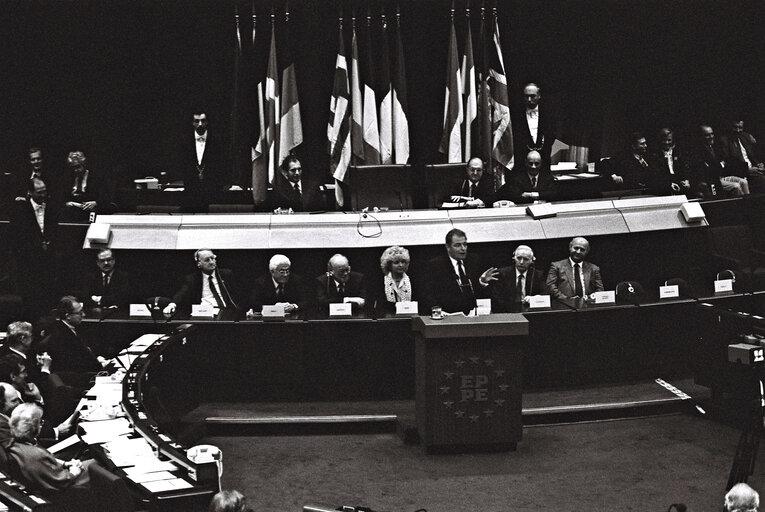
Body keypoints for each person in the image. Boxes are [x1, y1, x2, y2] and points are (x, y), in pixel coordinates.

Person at [7, 403, 93, 497]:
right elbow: (62, 481)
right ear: (34, 428)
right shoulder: (36, 455)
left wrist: (65, 463)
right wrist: (74, 471)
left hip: (56, 473)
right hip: (67, 487)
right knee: (98, 465)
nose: (42, 425)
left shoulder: (15, 443)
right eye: (41, 422)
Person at [9, 177, 58, 317]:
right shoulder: (19, 211)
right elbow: (17, 239)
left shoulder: (52, 207)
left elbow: (54, 231)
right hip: (28, 264)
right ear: (30, 192)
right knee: (31, 302)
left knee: (48, 300)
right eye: (39, 192)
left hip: (48, 263)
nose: (43, 195)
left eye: (45, 191)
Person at [423, 228, 498, 314]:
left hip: (473, 315)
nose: (463, 248)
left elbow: (477, 292)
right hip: (449, 316)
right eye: (457, 245)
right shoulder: (435, 265)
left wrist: (482, 281)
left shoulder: (474, 260)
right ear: (448, 247)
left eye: (465, 244)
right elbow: (430, 295)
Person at [38, 296, 108, 388]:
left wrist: (98, 359)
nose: (84, 315)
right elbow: (75, 365)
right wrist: (100, 365)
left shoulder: (71, 328)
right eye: (79, 313)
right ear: (68, 316)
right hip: (76, 382)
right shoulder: (60, 337)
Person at [163, 249, 238, 317]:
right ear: (199, 264)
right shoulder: (192, 278)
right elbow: (182, 293)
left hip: (227, 312)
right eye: (207, 260)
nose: (211, 262)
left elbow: (238, 294)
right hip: (203, 313)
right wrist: (172, 305)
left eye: (213, 258)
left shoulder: (226, 274)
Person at [180, 111, 227, 212]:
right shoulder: (184, 140)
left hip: (212, 189)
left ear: (207, 122)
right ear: (192, 123)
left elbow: (221, 163)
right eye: (197, 121)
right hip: (191, 188)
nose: (200, 124)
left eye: (203, 121)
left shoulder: (217, 140)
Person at [691, 124, 748, 197]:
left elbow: (726, 161)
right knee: (736, 186)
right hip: (712, 181)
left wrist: (719, 165)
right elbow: (708, 170)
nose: (711, 137)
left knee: (744, 182)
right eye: (707, 135)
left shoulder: (716, 147)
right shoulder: (698, 151)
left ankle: (749, 205)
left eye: (712, 134)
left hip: (722, 176)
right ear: (701, 137)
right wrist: (719, 165)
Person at [490, 245, 547, 312]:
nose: (521, 262)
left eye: (526, 259)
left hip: (529, 312)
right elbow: (497, 297)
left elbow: (545, 292)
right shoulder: (502, 273)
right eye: (519, 258)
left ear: (532, 261)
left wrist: (534, 298)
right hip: (507, 312)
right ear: (514, 258)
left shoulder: (537, 275)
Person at [513, 83, 557, 168]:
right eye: (526, 96)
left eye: (533, 96)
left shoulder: (549, 115)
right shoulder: (516, 116)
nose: (529, 100)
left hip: (543, 161)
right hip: (521, 162)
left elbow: (552, 135)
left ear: (539, 96)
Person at [59, 150, 111, 222]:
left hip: (92, 212)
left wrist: (96, 203)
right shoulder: (67, 179)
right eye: (72, 168)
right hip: (72, 213)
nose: (75, 170)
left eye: (78, 167)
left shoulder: (97, 178)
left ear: (84, 165)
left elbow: (106, 198)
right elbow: (61, 196)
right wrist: (66, 203)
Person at [719, 119, 765, 193]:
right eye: (735, 127)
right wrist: (747, 170)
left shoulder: (745, 136)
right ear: (730, 127)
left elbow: (753, 156)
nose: (737, 130)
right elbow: (728, 163)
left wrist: (759, 164)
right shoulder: (724, 140)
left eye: (740, 127)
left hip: (754, 170)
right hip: (741, 173)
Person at [373, 246, 419, 315]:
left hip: (410, 318)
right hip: (388, 320)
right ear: (389, 265)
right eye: (396, 262)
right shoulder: (381, 281)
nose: (400, 265)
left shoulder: (413, 280)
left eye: (403, 262)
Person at [648, 128, 691, 196]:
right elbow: (656, 176)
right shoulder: (654, 155)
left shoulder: (680, 153)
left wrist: (686, 180)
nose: (667, 142)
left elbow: (685, 168)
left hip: (680, 185)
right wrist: (668, 185)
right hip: (665, 187)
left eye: (669, 140)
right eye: (664, 140)